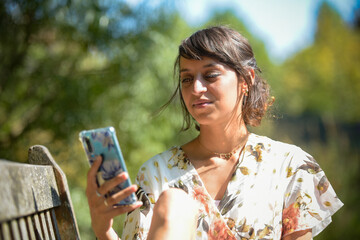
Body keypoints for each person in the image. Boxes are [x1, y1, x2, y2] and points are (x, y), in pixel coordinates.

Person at [86, 26, 343, 240]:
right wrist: (104, 231)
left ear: (246, 80)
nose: (196, 88)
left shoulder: (290, 166)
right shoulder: (156, 173)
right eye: (187, 79)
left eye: (210, 75)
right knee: (175, 202)